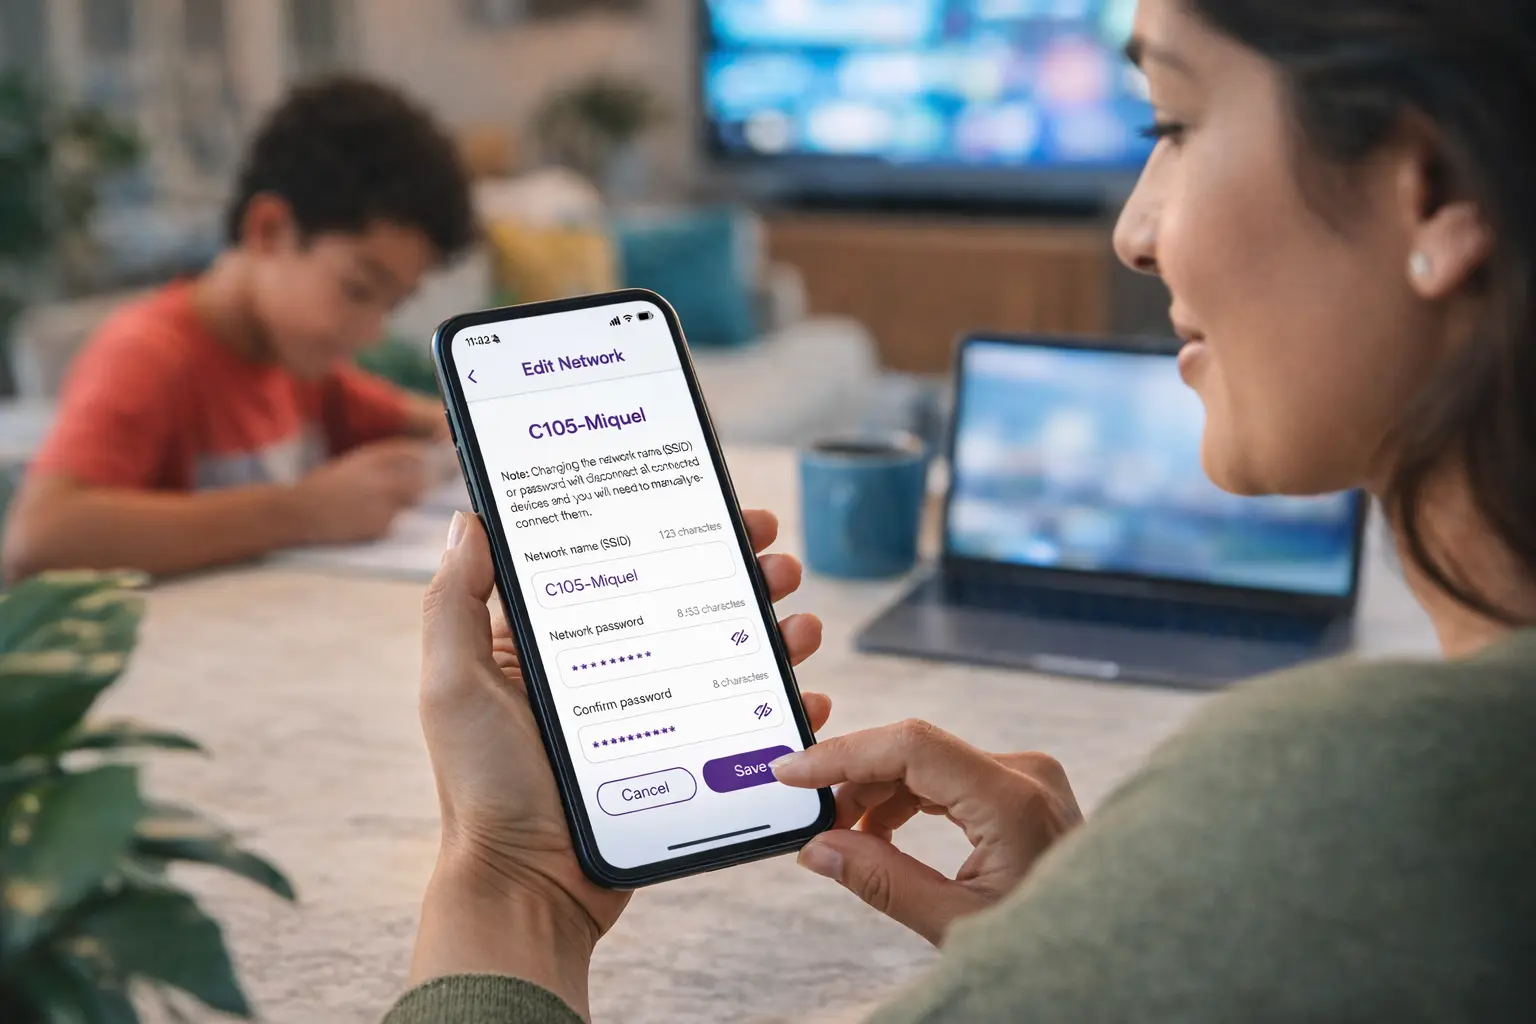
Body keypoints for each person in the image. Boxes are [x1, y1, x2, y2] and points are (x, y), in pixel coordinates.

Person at [387, 0, 1536, 1019]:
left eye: (1172, 124)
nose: (1134, 232)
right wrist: (1106, 960)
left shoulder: (1369, 804)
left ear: (1427, 192)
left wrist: (507, 886)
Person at [1, 76, 475, 583]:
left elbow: (432, 420)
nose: (371, 332)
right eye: (358, 290)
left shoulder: (299, 363)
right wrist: (302, 512)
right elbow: (36, 540)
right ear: (269, 229)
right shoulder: (148, 354)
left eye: (392, 304)